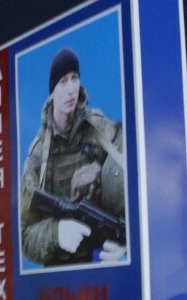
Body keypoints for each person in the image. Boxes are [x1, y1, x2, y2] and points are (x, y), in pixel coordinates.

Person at [20, 46, 127, 267]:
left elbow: (137, 188)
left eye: (75, 78)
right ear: (52, 90)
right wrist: (57, 233)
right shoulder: (39, 153)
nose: (71, 89)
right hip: (58, 279)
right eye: (63, 81)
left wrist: (127, 244)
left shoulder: (102, 132)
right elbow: (24, 237)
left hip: (98, 268)